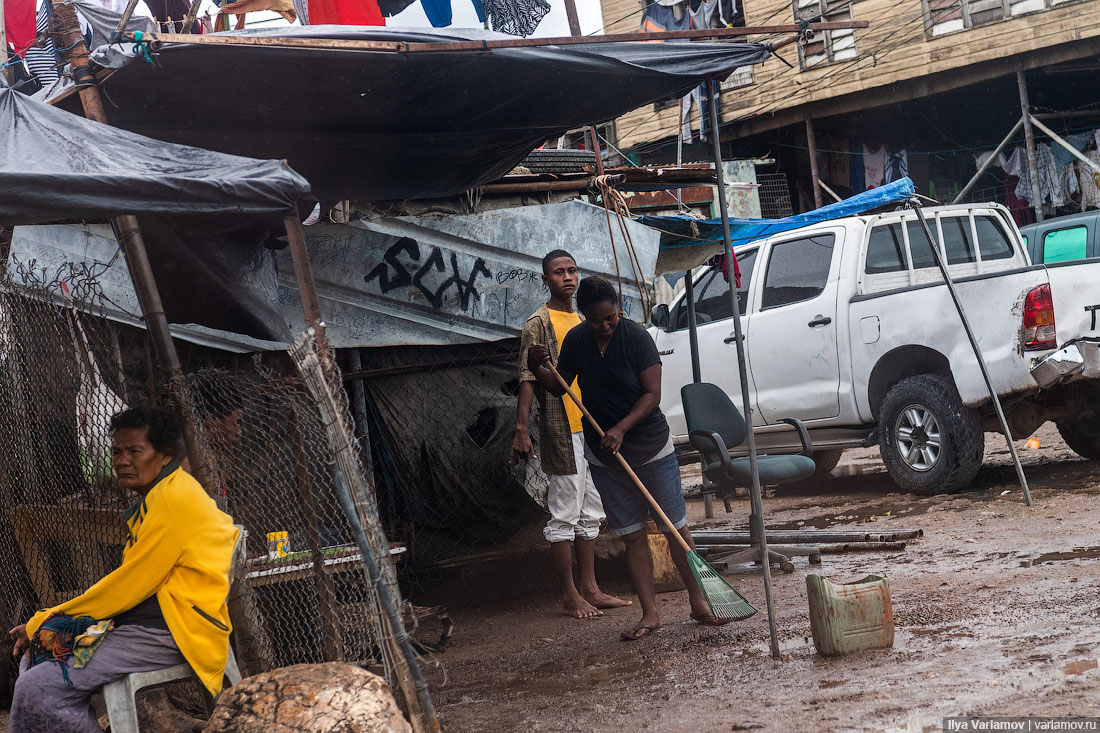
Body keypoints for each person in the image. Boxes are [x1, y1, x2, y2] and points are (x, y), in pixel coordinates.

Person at [8, 407, 239, 732]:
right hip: (133, 626)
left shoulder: (173, 502)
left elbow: (125, 588)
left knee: (39, 684)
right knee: (40, 656)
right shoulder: (159, 496)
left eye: (134, 451)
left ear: (164, 455)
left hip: (170, 633)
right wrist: (49, 625)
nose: (122, 461)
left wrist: (44, 619)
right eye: (117, 452)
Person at [527, 275, 727, 641]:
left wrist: (620, 429)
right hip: (606, 456)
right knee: (633, 536)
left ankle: (699, 602)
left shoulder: (637, 337)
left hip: (650, 446)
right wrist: (539, 366)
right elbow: (558, 387)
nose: (604, 326)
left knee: (675, 529)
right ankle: (651, 615)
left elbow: (652, 395)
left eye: (610, 318)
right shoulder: (576, 340)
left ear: (618, 310)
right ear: (584, 315)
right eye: (596, 320)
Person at [513, 250, 630, 619]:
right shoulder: (539, 322)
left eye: (572, 270)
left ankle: (591, 588)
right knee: (564, 511)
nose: (567, 277)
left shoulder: (584, 318)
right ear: (545, 280)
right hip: (561, 426)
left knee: (591, 508)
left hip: (590, 425)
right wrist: (521, 429)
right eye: (558, 272)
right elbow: (529, 376)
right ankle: (569, 595)